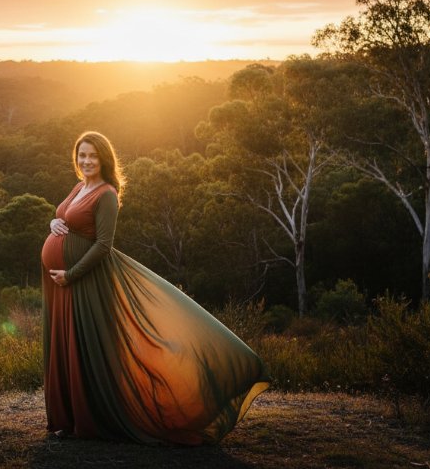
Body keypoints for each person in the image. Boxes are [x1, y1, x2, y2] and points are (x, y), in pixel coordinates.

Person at [41, 130, 270, 445]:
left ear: (103, 159)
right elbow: (64, 218)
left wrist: (72, 273)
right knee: (69, 346)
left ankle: (90, 420)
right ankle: (68, 419)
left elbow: (104, 245)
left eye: (93, 155)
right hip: (64, 284)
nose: (87, 160)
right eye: (82, 155)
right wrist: (53, 223)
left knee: (86, 348)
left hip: (85, 282)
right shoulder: (79, 186)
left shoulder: (106, 194)